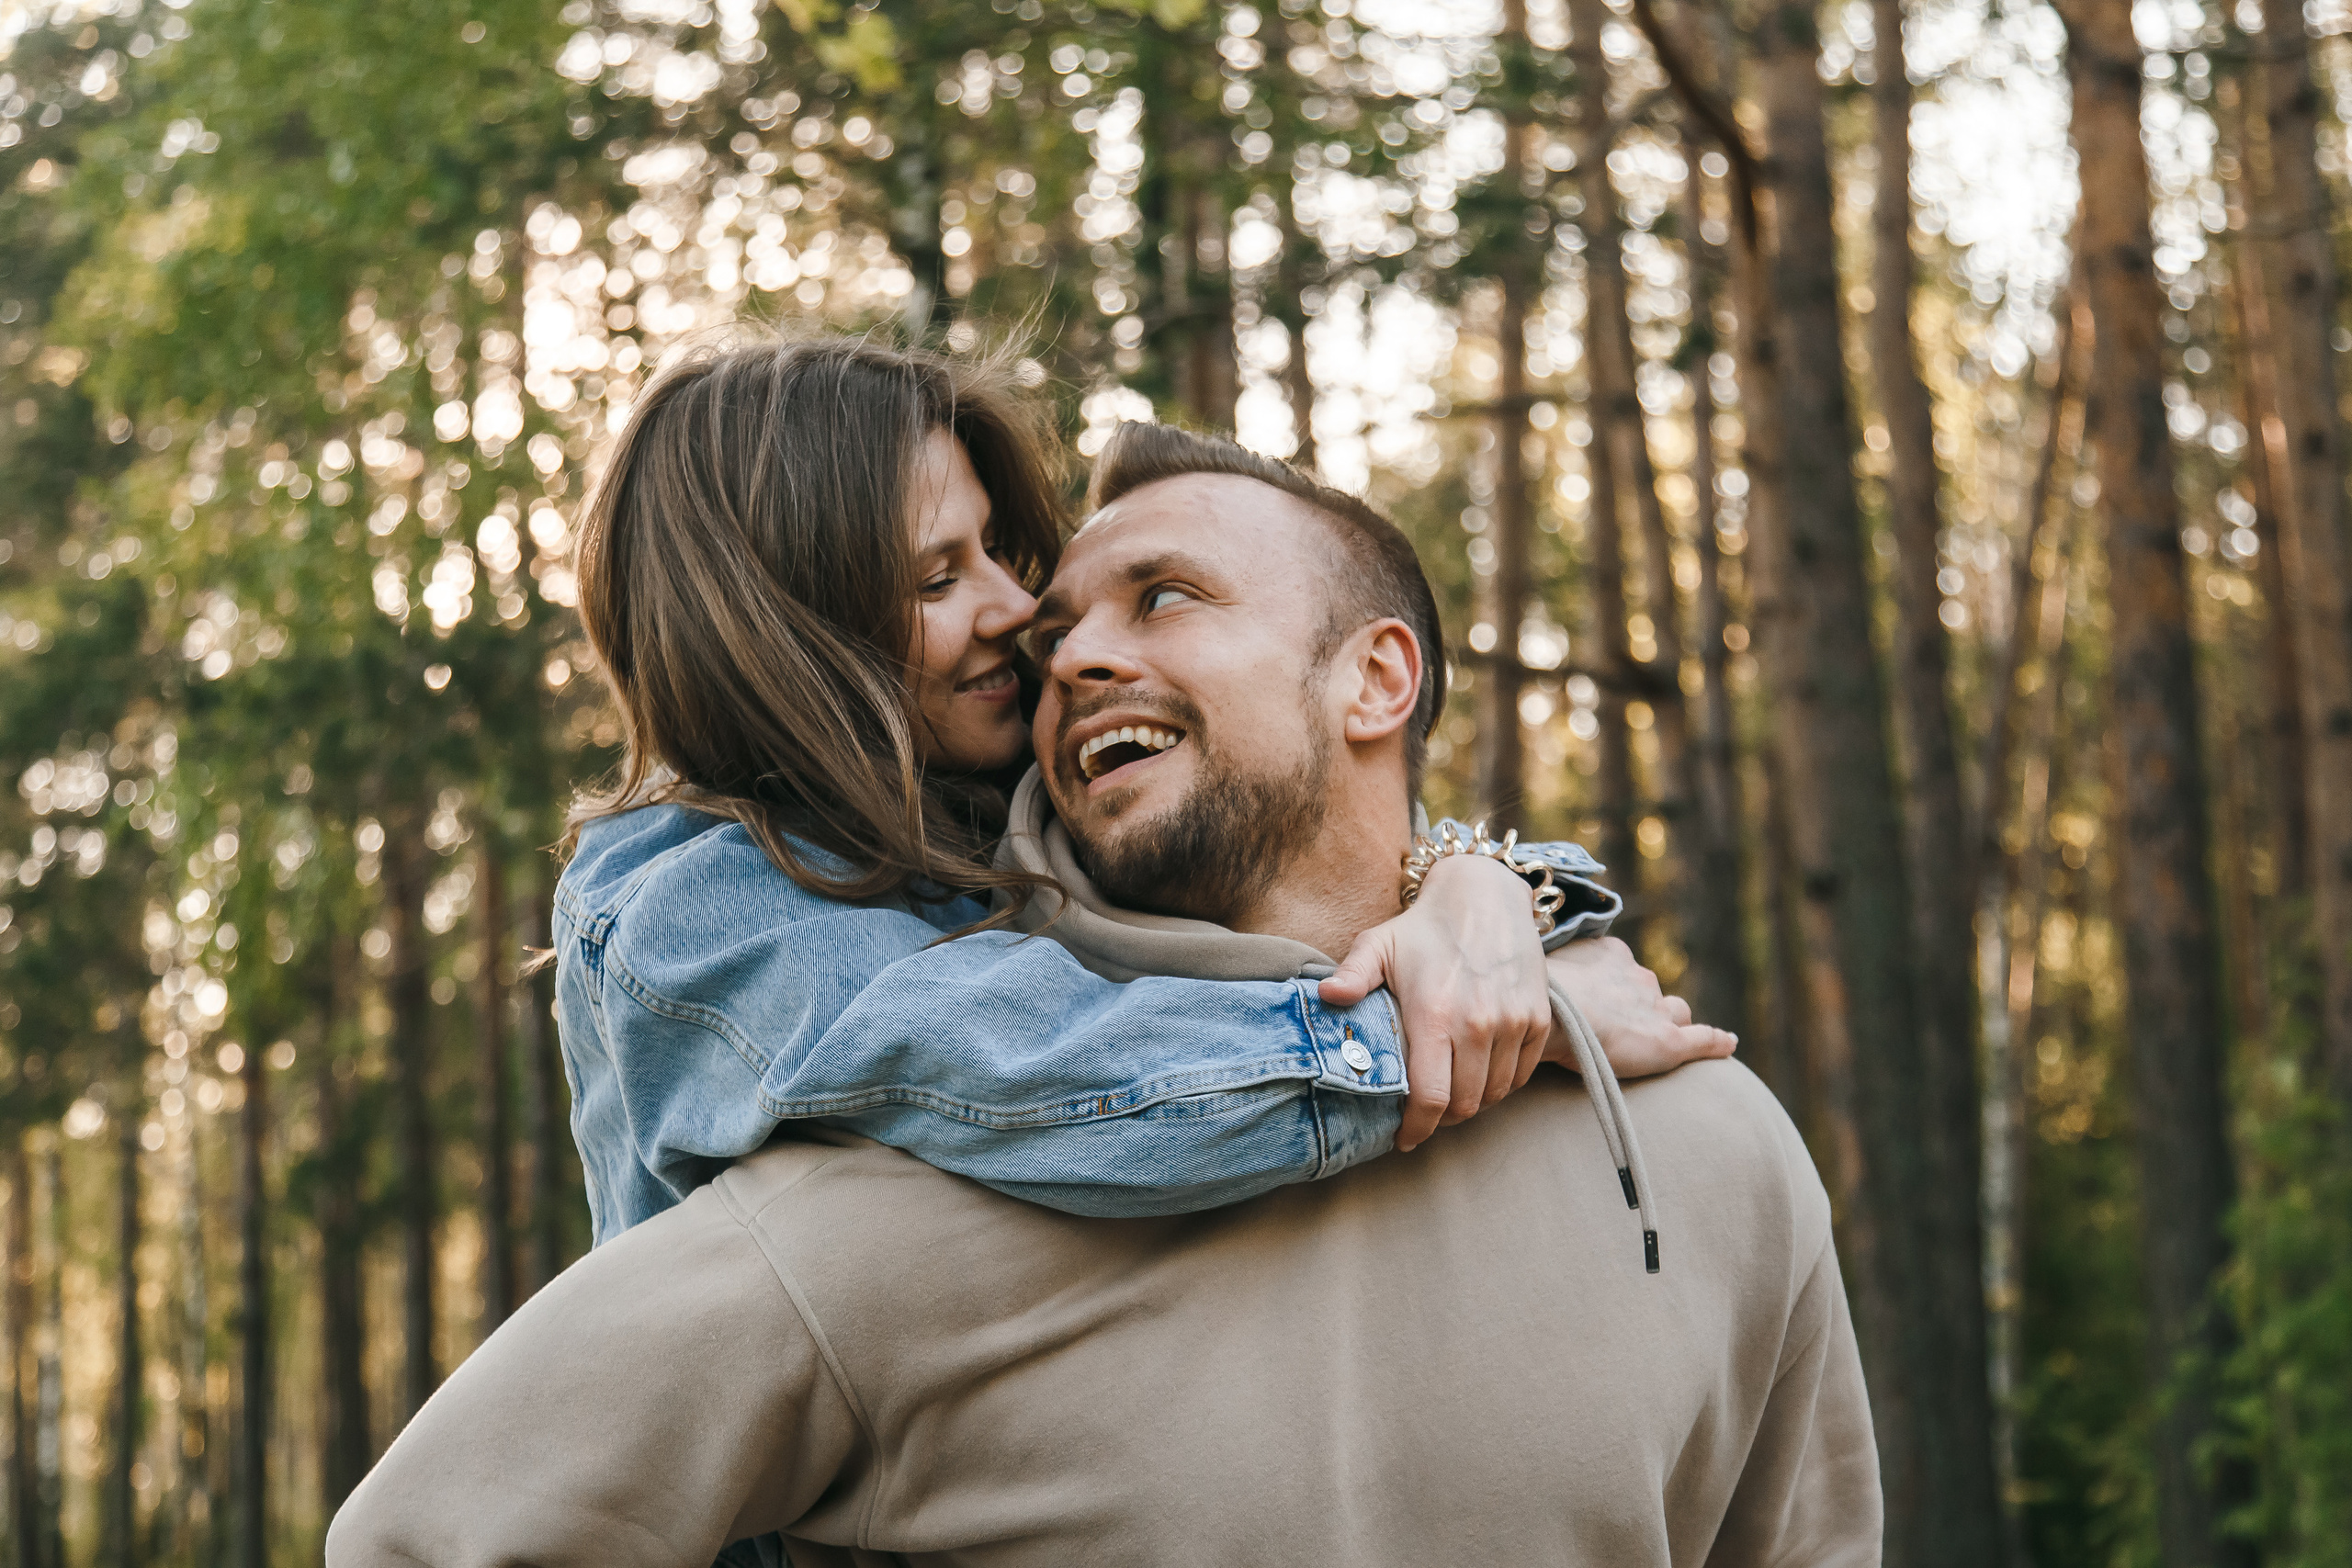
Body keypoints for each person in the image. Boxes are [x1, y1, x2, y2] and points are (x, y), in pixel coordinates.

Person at [327, 423, 1878, 1568]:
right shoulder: (872, 1188)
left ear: (1377, 681)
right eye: (1052, 623)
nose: (1059, 650)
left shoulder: (1709, 1145)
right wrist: (1424, 1015)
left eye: (1166, 596)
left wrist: (1500, 899)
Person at [551, 331, 1732, 1241]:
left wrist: (1485, 898)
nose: (1022, 620)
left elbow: (1312, 833)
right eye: (933, 579)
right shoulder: (688, 910)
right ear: (783, 633)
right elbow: (1054, 1077)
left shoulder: (970, 813)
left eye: (996, 557)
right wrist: (1436, 1034)